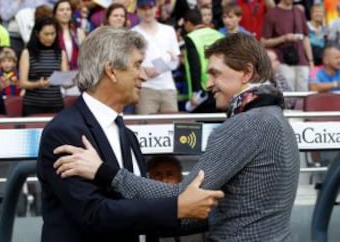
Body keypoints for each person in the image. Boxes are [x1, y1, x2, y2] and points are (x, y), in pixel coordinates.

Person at [53, 33, 300, 241]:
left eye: (215, 73)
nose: (208, 84)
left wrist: (104, 172)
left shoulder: (248, 124)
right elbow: (223, 209)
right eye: (138, 65)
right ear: (111, 71)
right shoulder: (273, 118)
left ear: (246, 73)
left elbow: (181, 197)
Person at [37, 26, 223, 242]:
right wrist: (176, 207)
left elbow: (141, 214)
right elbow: (94, 215)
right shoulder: (64, 132)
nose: (144, 75)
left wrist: (220, 214)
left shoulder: (127, 135)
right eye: (137, 65)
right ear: (111, 71)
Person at [132, 0, 181, 114]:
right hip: (145, 88)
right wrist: (167, 58)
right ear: (138, 11)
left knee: (172, 127)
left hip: (168, 87)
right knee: (145, 127)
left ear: (156, 8)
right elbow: (132, 63)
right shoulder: (133, 33)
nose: (147, 12)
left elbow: (176, 62)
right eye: (143, 8)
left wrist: (158, 69)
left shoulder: (168, 30)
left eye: (150, 7)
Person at [147, 155, 206, 242]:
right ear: (149, 180)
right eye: (157, 175)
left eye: (169, 174)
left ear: (180, 177)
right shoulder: (146, 214)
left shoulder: (198, 206)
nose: (164, 180)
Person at [19, 16, 68, 116]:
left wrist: (72, 80)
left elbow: (65, 81)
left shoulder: (61, 53)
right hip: (33, 105)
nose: (50, 37)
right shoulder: (27, 53)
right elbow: (22, 83)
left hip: (56, 104)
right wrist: (38, 84)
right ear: (37, 34)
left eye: (52, 34)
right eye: (46, 34)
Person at [182, 9, 223, 113]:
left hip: (203, 89)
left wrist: (196, 93)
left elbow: (195, 66)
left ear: (188, 23)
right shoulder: (218, 34)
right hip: (221, 86)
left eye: (184, 25)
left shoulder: (191, 37)